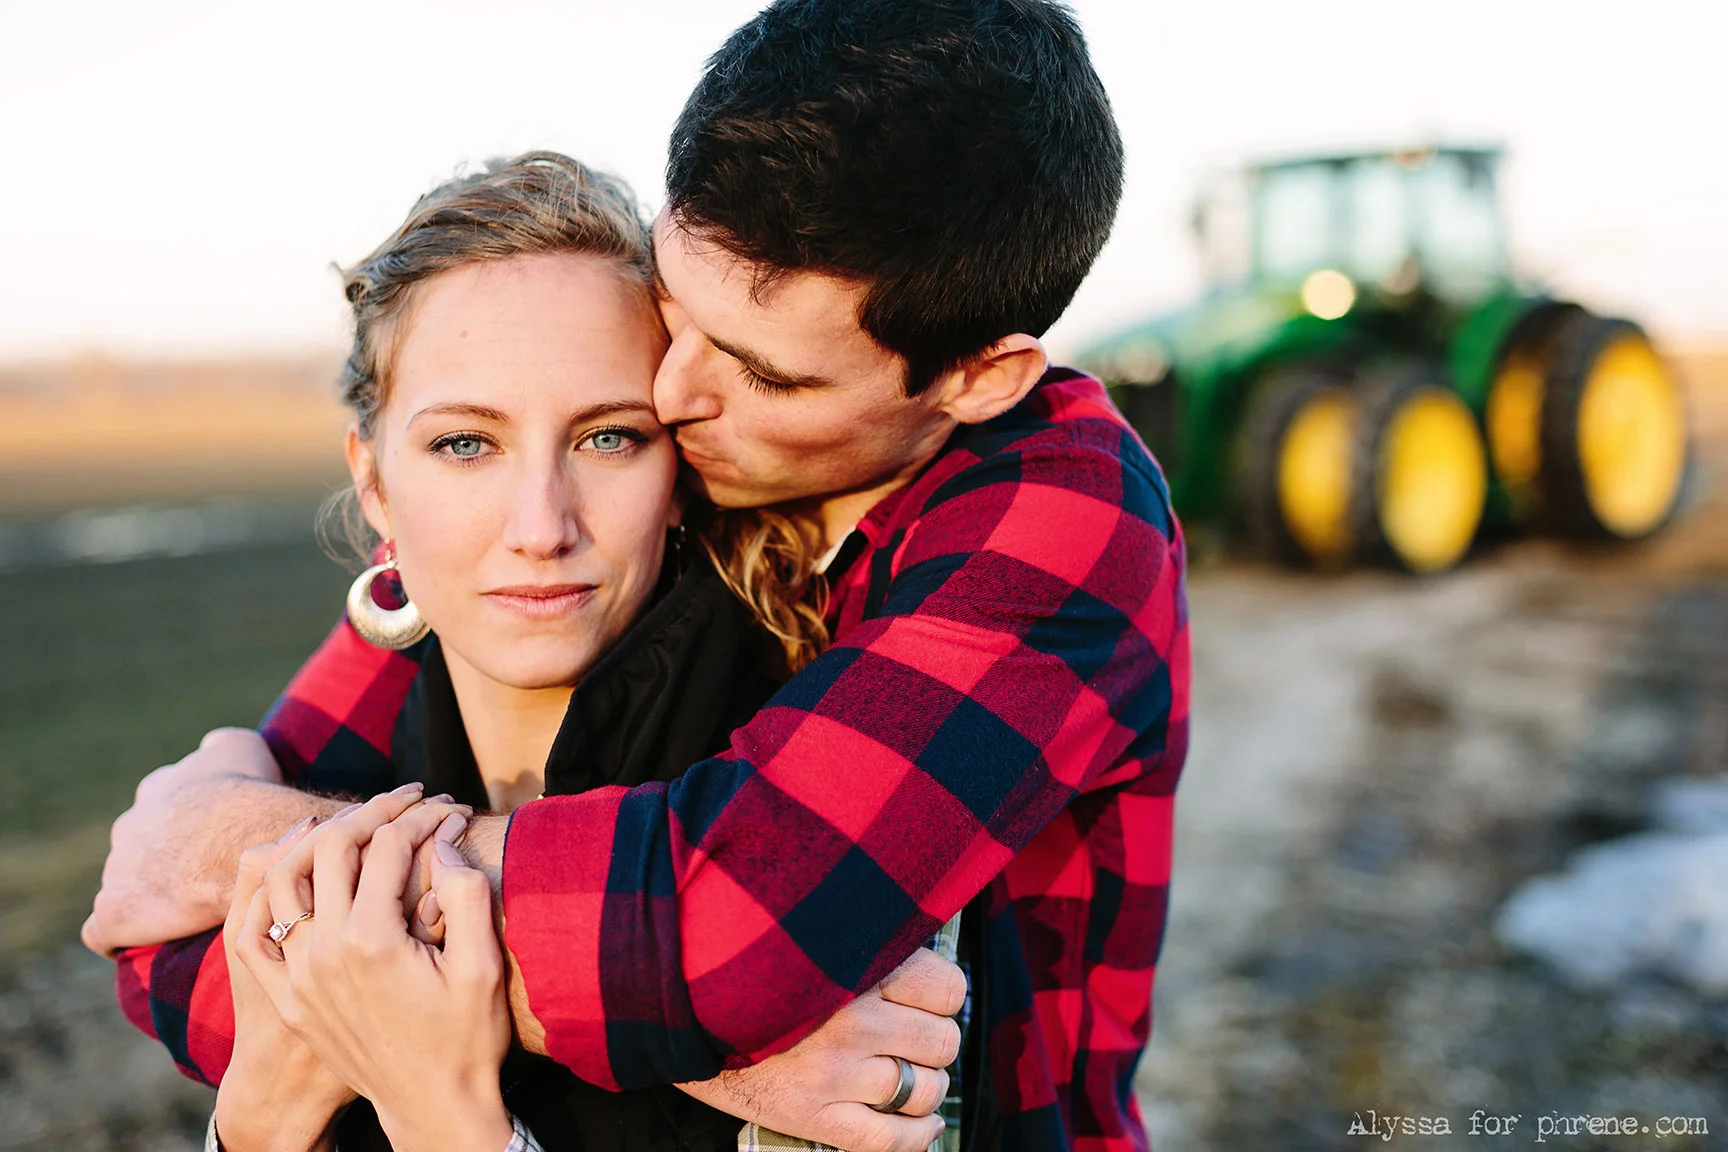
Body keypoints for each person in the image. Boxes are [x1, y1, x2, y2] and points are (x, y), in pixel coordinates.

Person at [86, 2, 1191, 1149]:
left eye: (766, 372)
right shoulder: (672, 465)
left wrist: (233, 853)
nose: (672, 392)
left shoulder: (1068, 514)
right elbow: (158, 947)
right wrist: (693, 1056)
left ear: (974, 378)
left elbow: (722, 931)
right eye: (679, 308)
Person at [122, 153, 965, 1152]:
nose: (540, 525)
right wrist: (261, 1121)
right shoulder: (324, 769)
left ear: (682, 458)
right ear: (375, 482)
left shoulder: (817, 805)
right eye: (465, 445)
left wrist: (453, 1115)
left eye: (608, 438)